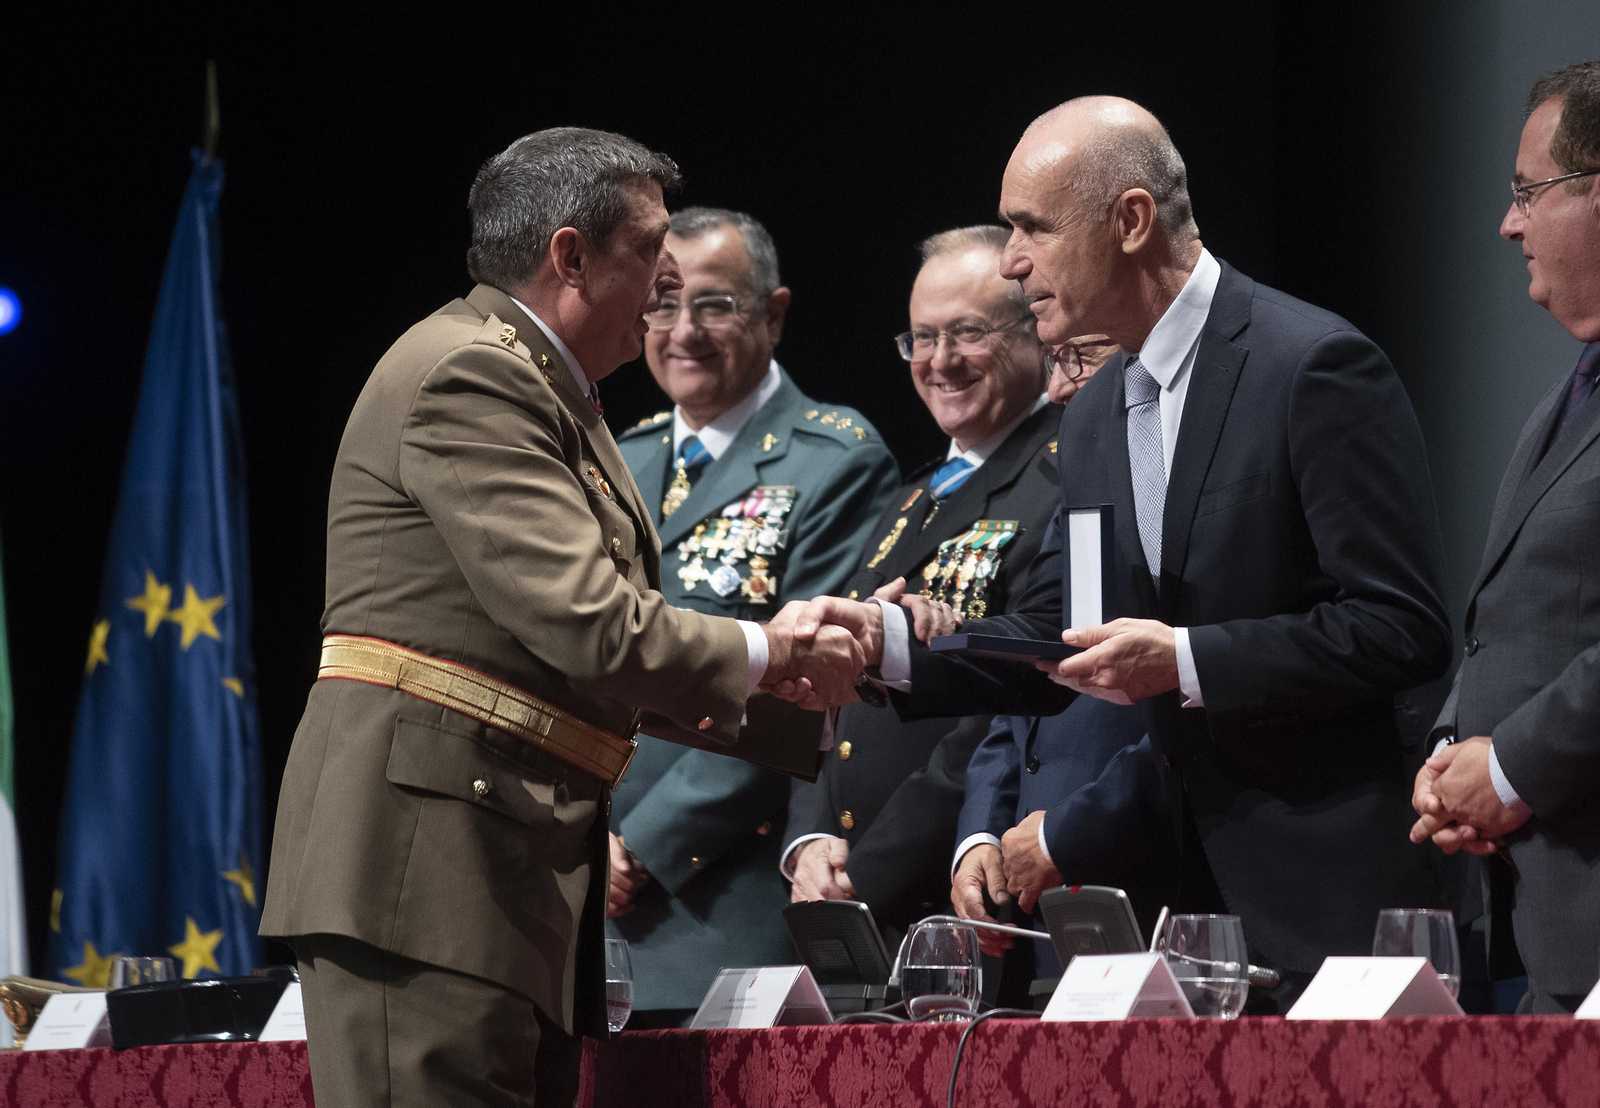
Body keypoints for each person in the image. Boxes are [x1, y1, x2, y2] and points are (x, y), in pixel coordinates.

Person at [787, 96, 1452, 1007]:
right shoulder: (1097, 412)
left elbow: (1401, 628)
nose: (1012, 260)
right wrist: (890, 643)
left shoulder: (1313, 365)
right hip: (1161, 918)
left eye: (1032, 228)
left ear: (1132, 221)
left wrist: (1183, 659)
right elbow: (1070, 635)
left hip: (1321, 903)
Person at [259, 129, 862, 1108]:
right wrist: (773, 647)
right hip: (424, 876)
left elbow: (569, 667)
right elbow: (592, 627)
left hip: (490, 881)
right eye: (651, 248)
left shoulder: (546, 389)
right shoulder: (472, 373)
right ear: (571, 256)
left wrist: (819, 695)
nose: (670, 279)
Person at [782, 227, 1159, 979]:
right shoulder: (910, 497)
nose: (940, 359)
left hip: (969, 890)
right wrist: (811, 836)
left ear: (1035, 333)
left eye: (967, 333)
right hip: (907, 898)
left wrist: (873, 871)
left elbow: (1012, 693)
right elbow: (836, 695)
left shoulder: (1067, 470)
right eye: (922, 338)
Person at [607, 207, 898, 1026]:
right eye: (663, 304)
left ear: (772, 314)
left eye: (715, 305)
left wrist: (643, 847)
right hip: (587, 897)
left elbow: (804, 690)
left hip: (718, 906)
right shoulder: (619, 459)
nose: (683, 332)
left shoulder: (836, 461)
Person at [1411, 60, 1600, 1015]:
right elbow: (1513, 623)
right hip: (1542, 936)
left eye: (1528, 192)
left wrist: (1511, 765)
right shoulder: (1562, 399)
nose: (1507, 224)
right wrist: (1454, 754)